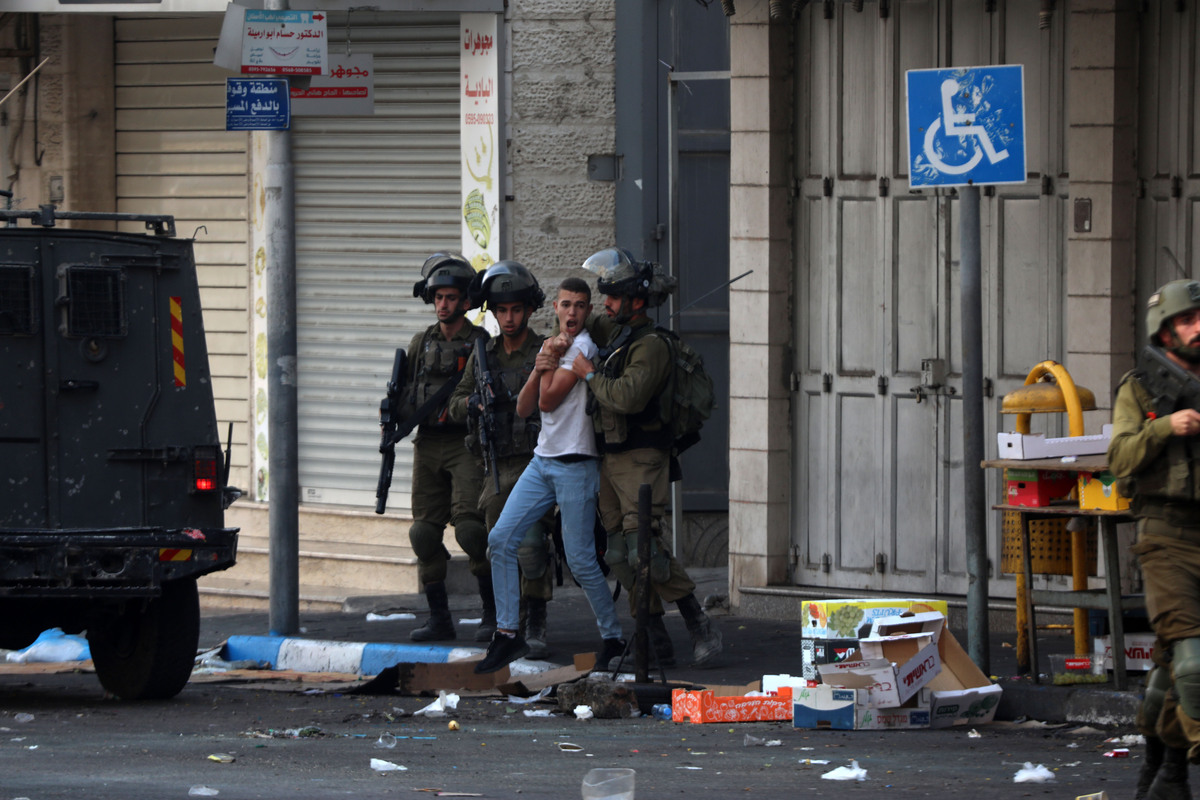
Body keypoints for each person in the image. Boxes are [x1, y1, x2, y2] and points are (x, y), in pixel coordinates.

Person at [571, 247, 722, 669]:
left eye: (614, 298)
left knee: (643, 550)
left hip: (642, 457)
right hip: (609, 458)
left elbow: (627, 397)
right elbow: (577, 318)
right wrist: (567, 313)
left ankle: (699, 623)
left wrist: (588, 374)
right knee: (618, 554)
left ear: (636, 301)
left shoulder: (652, 345)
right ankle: (653, 636)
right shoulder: (615, 332)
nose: (606, 305)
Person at [474, 277, 625, 674]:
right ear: (554, 309)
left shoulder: (583, 348)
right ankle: (508, 634)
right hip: (543, 461)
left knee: (579, 559)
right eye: (566, 305)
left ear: (587, 312)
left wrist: (549, 364)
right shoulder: (551, 346)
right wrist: (541, 363)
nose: (572, 312)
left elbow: (548, 398)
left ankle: (613, 638)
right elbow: (526, 409)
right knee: (500, 539)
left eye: (580, 305)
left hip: (577, 463)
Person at [1108, 278, 1200, 800]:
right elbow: (1118, 459)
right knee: (1194, 662)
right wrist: (1167, 428)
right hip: (1166, 536)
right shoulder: (1140, 388)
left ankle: (1165, 771)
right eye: (1187, 320)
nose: (1198, 328)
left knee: (1171, 665)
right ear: (1164, 331)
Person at [448, 261, 557, 658]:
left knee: (529, 545)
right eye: (502, 310)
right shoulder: (484, 355)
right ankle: (510, 621)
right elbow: (456, 404)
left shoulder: (545, 350)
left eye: (516, 309)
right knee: (500, 545)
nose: (509, 318)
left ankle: (537, 617)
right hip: (496, 466)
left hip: (537, 462)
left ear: (529, 310)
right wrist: (474, 402)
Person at [403, 252, 492, 643]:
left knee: (472, 530)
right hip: (428, 444)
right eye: (438, 297)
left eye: (451, 297)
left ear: (465, 301)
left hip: (466, 444)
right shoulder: (420, 343)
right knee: (423, 533)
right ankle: (440, 618)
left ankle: (494, 615)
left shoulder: (480, 343)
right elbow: (405, 391)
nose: (444, 304)